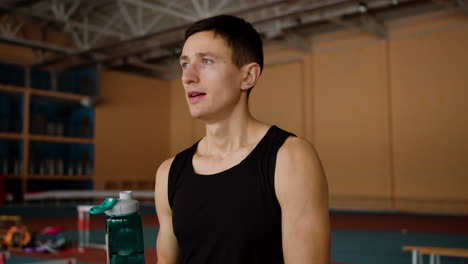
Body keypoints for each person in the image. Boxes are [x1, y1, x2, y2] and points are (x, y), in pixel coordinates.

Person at [155, 15, 330, 264]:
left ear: (248, 76)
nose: (188, 77)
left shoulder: (290, 159)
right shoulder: (168, 173)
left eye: (205, 61)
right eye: (184, 64)